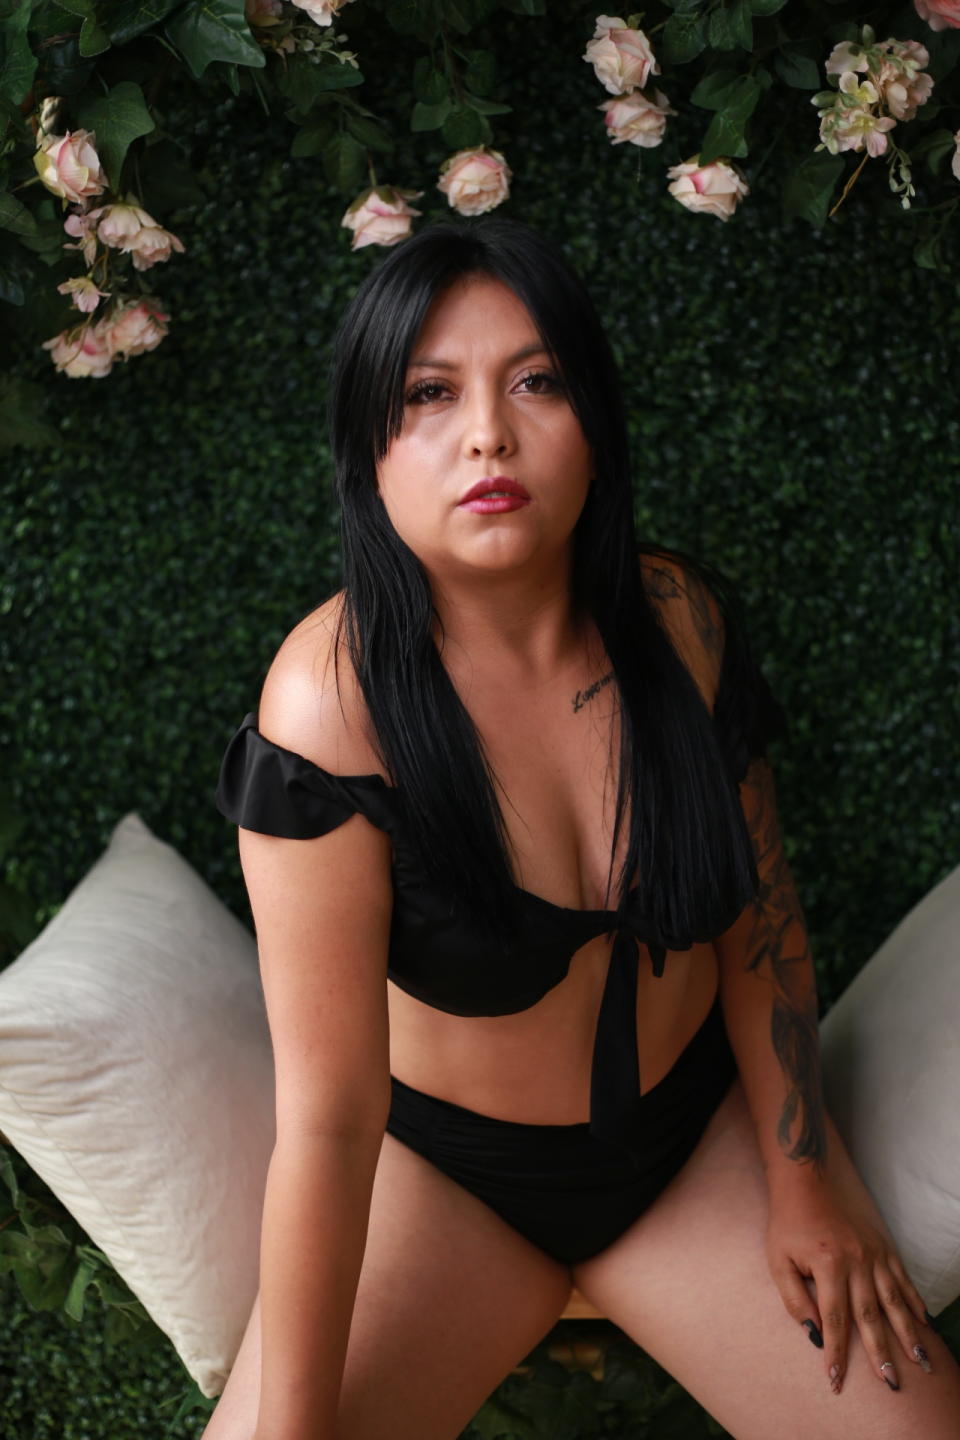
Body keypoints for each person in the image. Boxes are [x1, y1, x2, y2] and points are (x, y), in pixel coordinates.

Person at [204, 216, 960, 1440]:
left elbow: (762, 925)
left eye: (537, 382)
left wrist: (807, 1175)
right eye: (430, 394)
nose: (488, 435)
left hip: (691, 1147)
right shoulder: (329, 708)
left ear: (596, 427)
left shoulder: (677, 623)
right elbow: (331, 1122)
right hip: (453, 1182)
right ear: (369, 452)